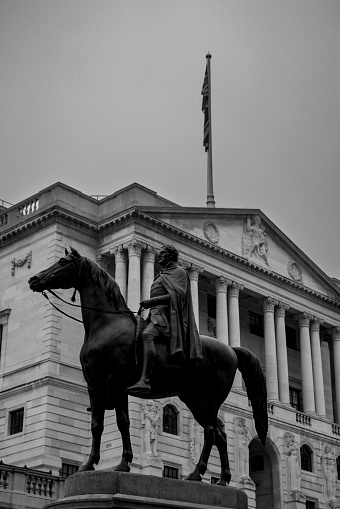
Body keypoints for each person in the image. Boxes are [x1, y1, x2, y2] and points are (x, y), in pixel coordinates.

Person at [127, 245, 205, 395]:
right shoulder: (163, 274)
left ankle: (145, 380)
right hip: (154, 316)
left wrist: (152, 301)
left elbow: (178, 296)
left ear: (170, 256)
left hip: (168, 319)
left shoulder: (179, 272)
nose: (160, 256)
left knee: (146, 335)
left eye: (163, 254)